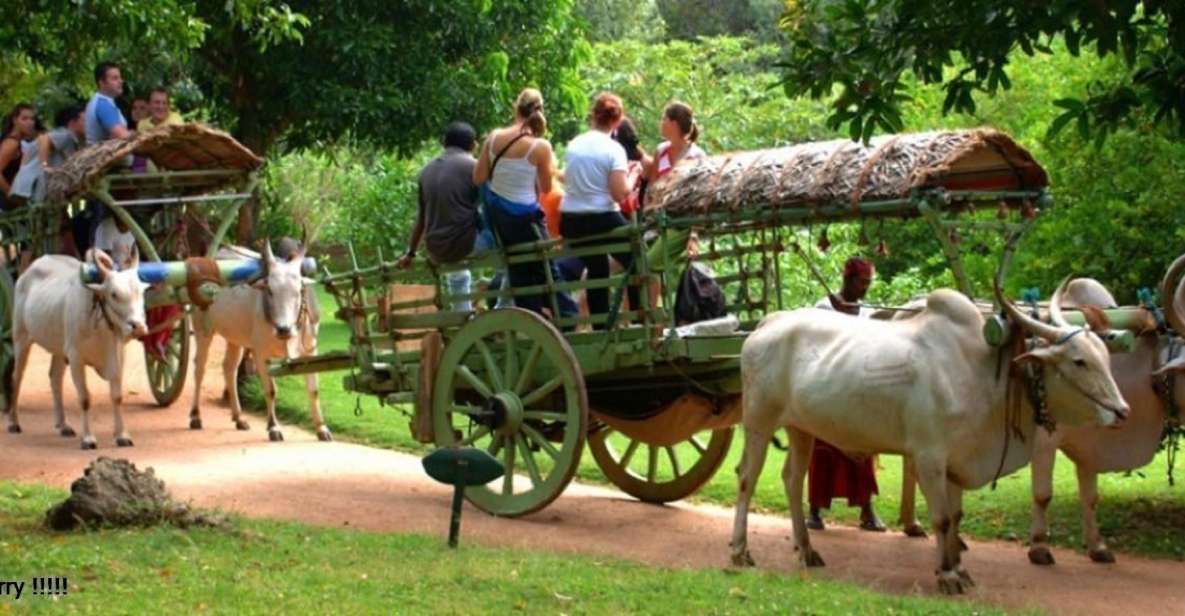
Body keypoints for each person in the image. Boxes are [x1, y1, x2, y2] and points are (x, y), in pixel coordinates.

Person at [473, 88, 574, 319]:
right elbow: (546, 188)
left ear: (516, 109)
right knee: (547, 270)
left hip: (501, 222)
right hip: (528, 221)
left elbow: (478, 178)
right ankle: (568, 317)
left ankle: (531, 317)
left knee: (518, 270)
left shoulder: (494, 137)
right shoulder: (540, 147)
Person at [807, 256, 886, 532]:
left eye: (868, 283)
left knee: (861, 450)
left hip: (855, 391)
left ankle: (866, 511)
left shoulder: (866, 312)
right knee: (822, 449)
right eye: (862, 282)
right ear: (849, 281)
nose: (865, 288)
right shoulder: (822, 308)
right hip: (826, 389)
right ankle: (814, 512)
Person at [560, 92, 642, 329]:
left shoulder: (574, 144)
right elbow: (619, 193)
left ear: (593, 116)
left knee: (598, 267)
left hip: (571, 220)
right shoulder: (613, 149)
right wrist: (633, 175)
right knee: (637, 259)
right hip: (600, 217)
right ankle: (637, 319)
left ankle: (600, 326)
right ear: (617, 121)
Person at [395, 122, 494, 311]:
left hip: (437, 249)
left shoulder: (426, 171)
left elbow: (421, 219)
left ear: (444, 144)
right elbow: (490, 206)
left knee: (458, 274)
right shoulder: (473, 167)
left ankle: (462, 318)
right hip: (465, 246)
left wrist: (410, 253)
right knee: (504, 241)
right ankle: (499, 290)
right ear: (473, 146)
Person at [10, 104, 85, 205]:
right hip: (35, 189)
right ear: (72, 122)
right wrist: (44, 165)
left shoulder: (72, 140)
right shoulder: (65, 135)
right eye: (84, 120)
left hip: (28, 189)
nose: (88, 123)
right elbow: (44, 139)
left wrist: (23, 170)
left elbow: (28, 153)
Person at [0, 103, 37, 210]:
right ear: (15, 120)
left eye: (32, 119)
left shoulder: (21, 142)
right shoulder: (12, 143)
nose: (30, 123)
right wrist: (10, 194)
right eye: (24, 119)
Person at [86, 61, 130, 144]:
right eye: (115, 78)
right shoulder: (103, 105)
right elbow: (122, 136)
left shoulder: (101, 101)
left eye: (120, 77)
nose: (121, 81)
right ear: (102, 83)